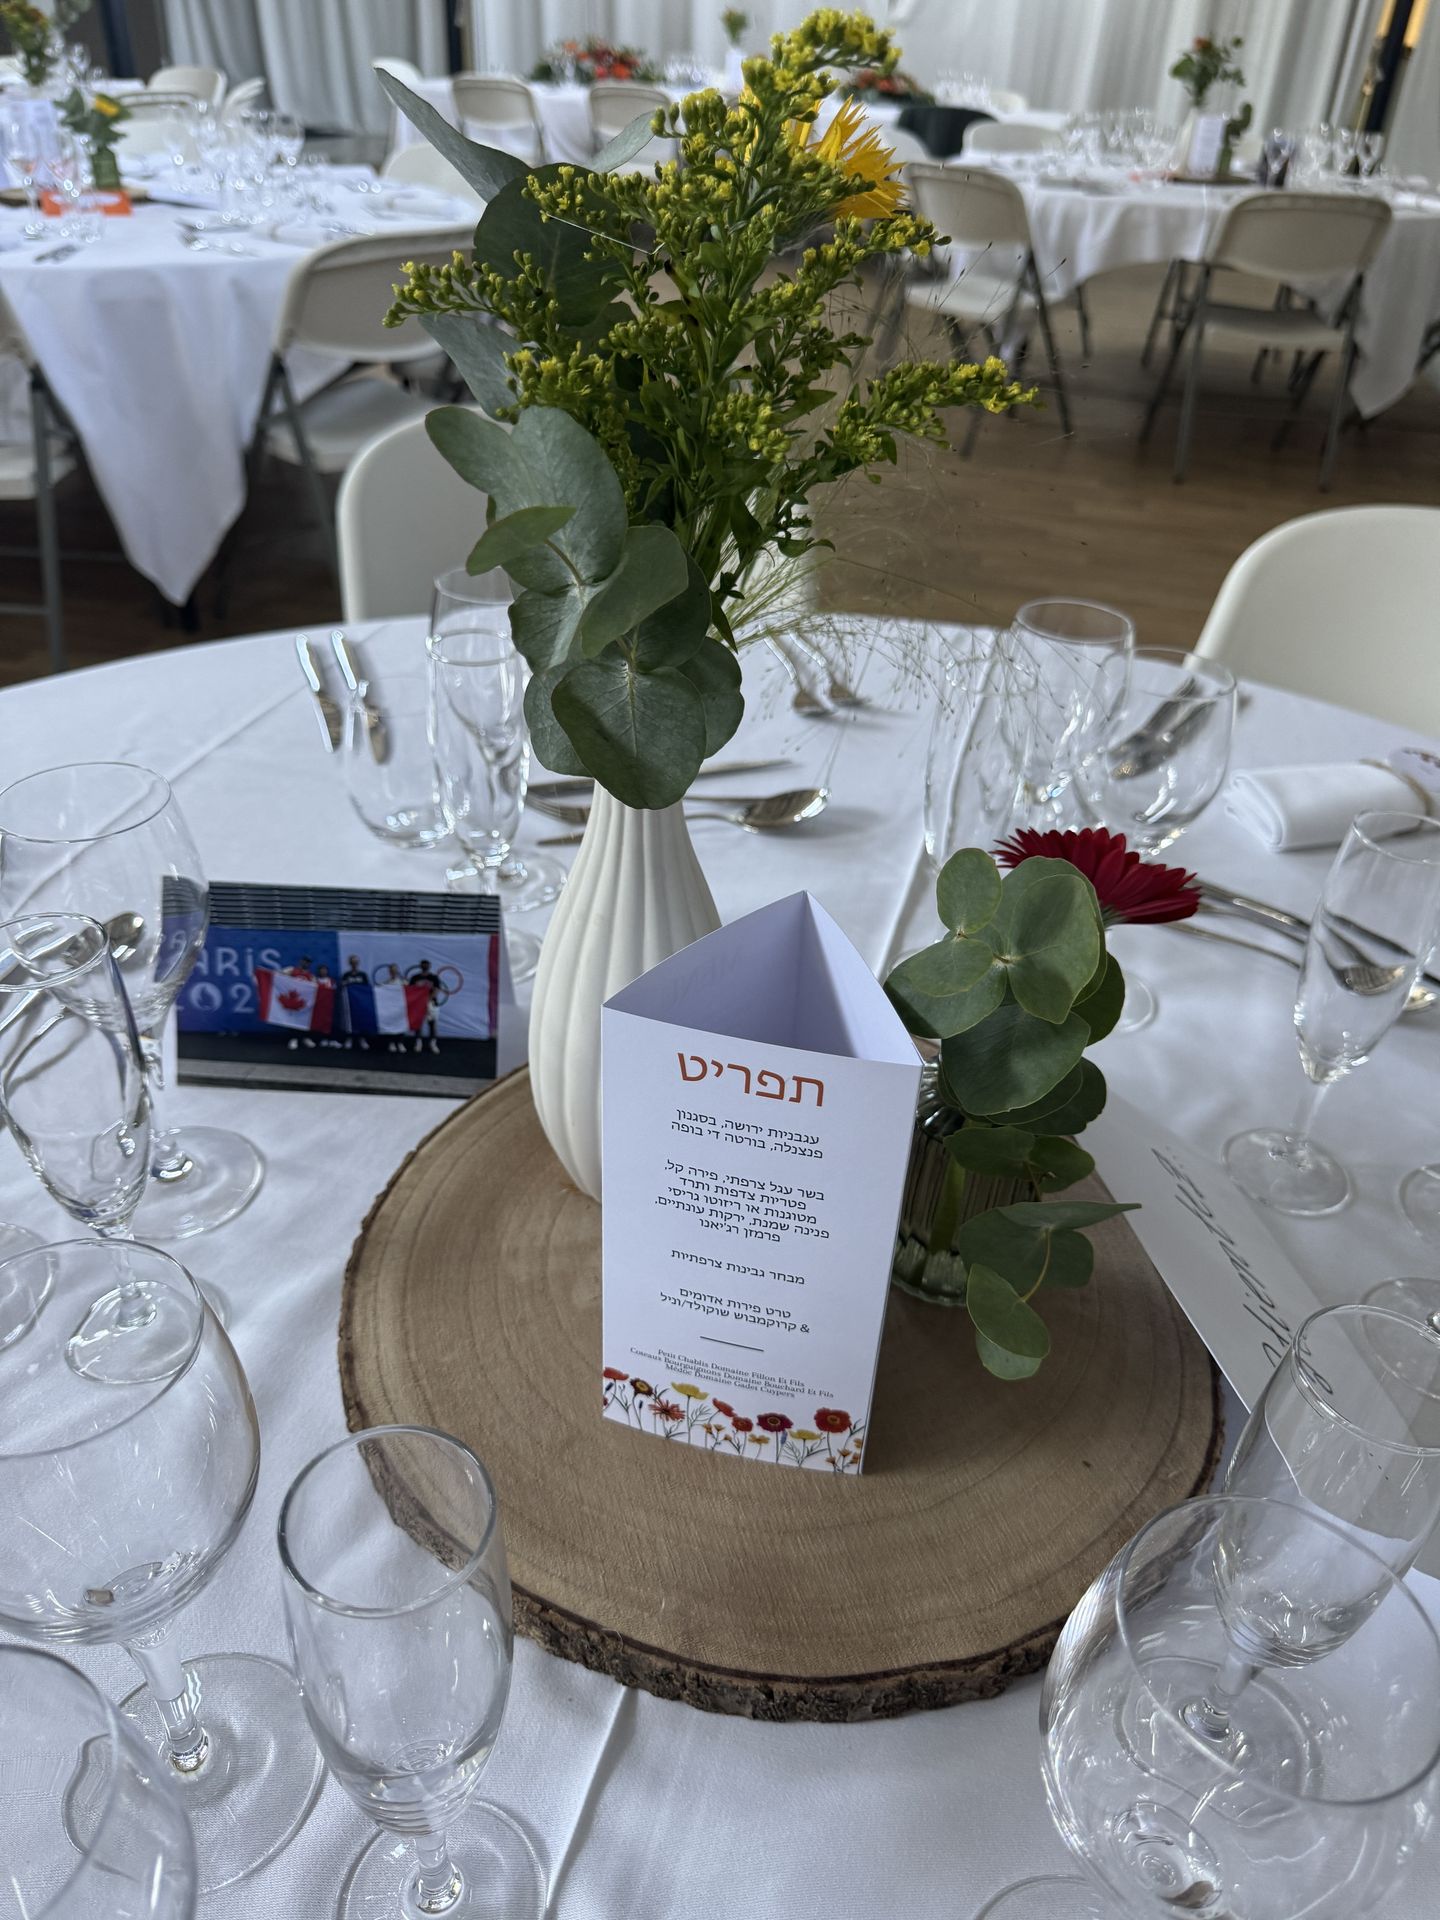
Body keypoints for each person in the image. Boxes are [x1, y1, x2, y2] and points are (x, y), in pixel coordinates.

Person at [405, 958, 443, 1054]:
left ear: (429, 966)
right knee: (418, 1024)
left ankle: (433, 1044)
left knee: (432, 1024)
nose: (425, 966)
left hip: (432, 1003)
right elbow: (411, 990)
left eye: (427, 965)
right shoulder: (415, 977)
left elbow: (437, 990)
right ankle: (418, 1043)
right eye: (423, 965)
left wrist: (428, 999)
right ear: (420, 966)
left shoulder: (434, 978)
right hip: (418, 1004)